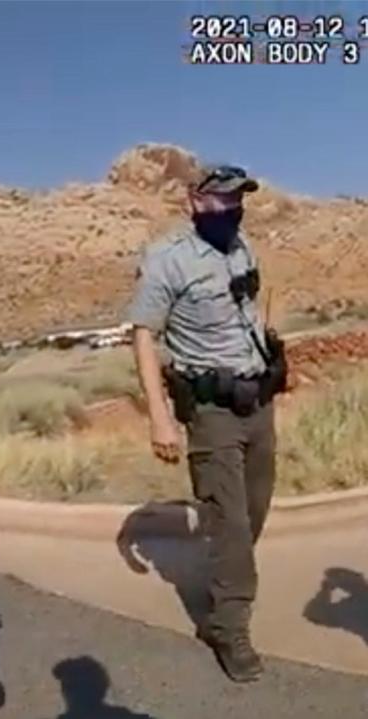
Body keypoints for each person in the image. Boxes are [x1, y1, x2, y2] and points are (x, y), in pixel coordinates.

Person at [126, 164, 287, 683]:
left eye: (238, 199)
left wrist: (271, 351)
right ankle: (229, 628)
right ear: (193, 201)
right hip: (212, 411)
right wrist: (160, 418)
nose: (231, 209)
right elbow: (145, 335)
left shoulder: (243, 247)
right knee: (231, 524)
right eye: (221, 200)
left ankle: (224, 575)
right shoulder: (167, 259)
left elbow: (250, 307)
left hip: (258, 402)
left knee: (254, 510)